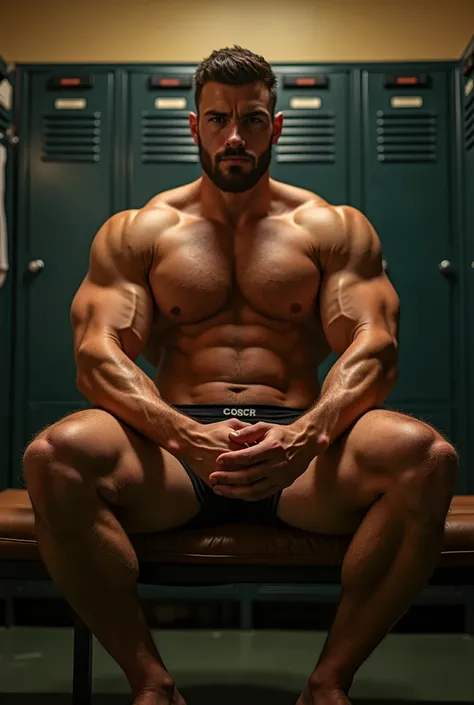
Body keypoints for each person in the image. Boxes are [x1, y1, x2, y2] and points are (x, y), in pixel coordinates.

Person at [22, 46, 458, 705]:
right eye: (218, 119)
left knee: (425, 456)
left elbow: (376, 344)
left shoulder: (331, 227)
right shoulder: (140, 231)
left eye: (252, 120)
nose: (235, 137)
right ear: (194, 126)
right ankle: (151, 681)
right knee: (54, 455)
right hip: (175, 449)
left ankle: (328, 681)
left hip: (299, 452)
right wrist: (178, 433)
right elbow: (97, 354)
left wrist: (308, 435)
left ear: (275, 127)